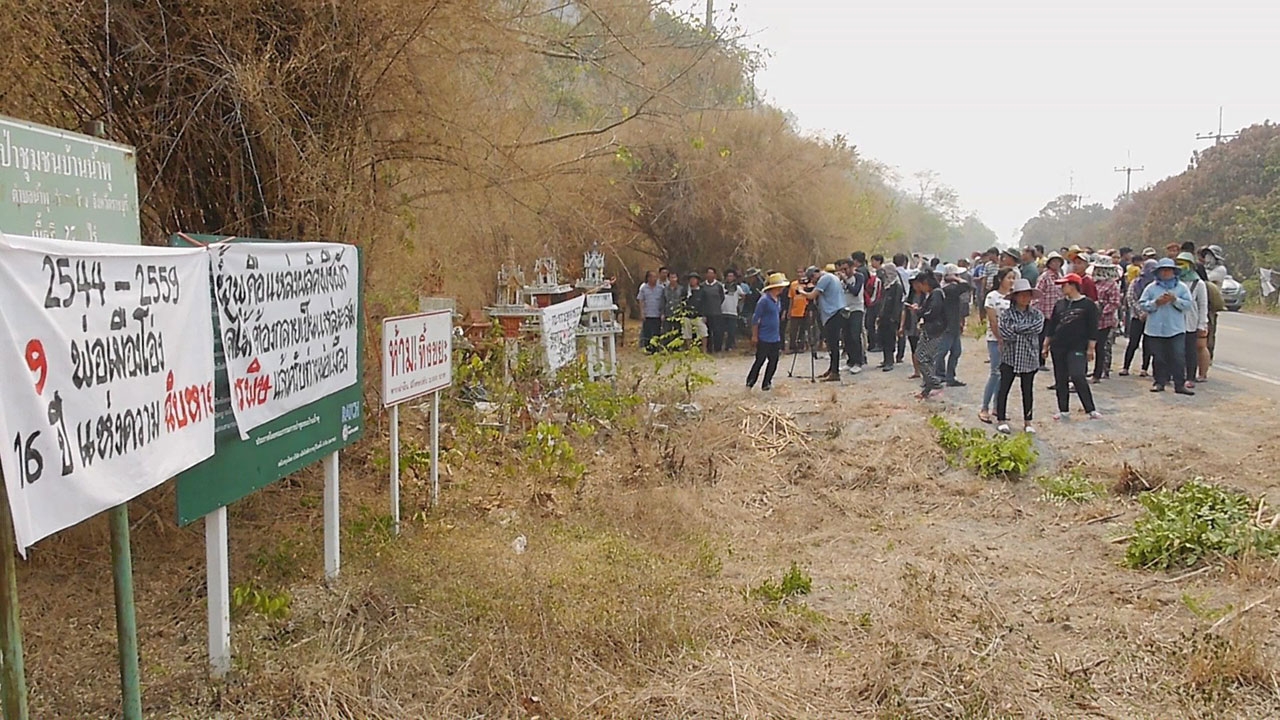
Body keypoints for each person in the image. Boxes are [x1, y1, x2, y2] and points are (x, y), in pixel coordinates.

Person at [1044, 273, 1101, 421]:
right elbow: (1052, 326)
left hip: (1078, 346)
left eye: (1065, 285)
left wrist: (1091, 348)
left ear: (1073, 285)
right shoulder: (1060, 304)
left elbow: (1093, 328)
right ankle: (1063, 410)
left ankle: (1090, 409)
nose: (1062, 288)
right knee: (1060, 378)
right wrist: (1046, 345)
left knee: (1077, 375)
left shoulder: (1088, 305)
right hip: (1058, 346)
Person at [995, 278, 1044, 435]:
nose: (1024, 298)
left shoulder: (1037, 314)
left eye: (1027, 295)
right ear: (1015, 296)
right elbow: (1005, 333)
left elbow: (1037, 328)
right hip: (1010, 356)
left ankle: (1028, 421)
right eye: (1021, 295)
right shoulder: (1006, 313)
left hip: (1029, 357)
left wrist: (1016, 329)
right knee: (1004, 388)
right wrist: (1023, 331)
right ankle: (1001, 419)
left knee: (1027, 390)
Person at [1139, 258, 1195, 395]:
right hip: (1155, 329)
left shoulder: (1181, 287)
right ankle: (1159, 382)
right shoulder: (1151, 288)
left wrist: (1174, 300)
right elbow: (1142, 304)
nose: (1165, 273)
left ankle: (1179, 384)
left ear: (1174, 272)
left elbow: (1188, 305)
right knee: (1158, 358)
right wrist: (1156, 303)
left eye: (1168, 270)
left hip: (1175, 328)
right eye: (1163, 270)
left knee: (1178, 357)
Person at [979, 268, 1016, 424]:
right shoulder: (992, 296)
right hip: (995, 339)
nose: (1011, 281)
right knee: (995, 372)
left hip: (1011, 340)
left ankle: (997, 407)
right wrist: (999, 338)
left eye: (1013, 278)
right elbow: (993, 321)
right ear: (1001, 279)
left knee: (1005, 373)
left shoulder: (1013, 298)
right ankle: (984, 407)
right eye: (1009, 278)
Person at [799, 265, 848, 382]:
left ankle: (835, 372)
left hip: (832, 313)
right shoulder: (832, 277)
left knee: (833, 344)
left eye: (812, 278)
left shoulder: (825, 279)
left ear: (815, 274)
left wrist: (801, 291)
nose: (813, 281)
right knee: (831, 343)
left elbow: (812, 296)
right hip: (836, 311)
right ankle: (832, 369)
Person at [746, 273, 789, 391]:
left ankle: (766, 383)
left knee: (774, 360)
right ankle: (750, 382)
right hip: (764, 336)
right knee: (760, 360)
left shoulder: (778, 300)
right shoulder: (764, 300)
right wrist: (755, 335)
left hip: (775, 336)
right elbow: (756, 319)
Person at [909, 270, 947, 399]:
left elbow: (932, 313)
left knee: (922, 358)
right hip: (930, 330)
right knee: (926, 358)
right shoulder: (933, 294)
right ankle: (928, 388)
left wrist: (918, 312)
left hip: (934, 331)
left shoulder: (936, 294)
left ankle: (935, 384)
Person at [1175, 252, 1209, 387]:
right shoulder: (1175, 281)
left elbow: (1202, 304)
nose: (1180, 267)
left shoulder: (1198, 283)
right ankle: (1176, 375)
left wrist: (1202, 324)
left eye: (1183, 264)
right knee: (1176, 350)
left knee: (1190, 350)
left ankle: (1190, 376)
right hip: (1176, 321)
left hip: (1191, 322)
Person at [935, 264, 971, 387]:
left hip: (952, 325)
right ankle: (939, 375)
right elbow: (967, 286)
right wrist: (956, 279)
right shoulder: (950, 289)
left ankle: (947, 376)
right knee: (942, 352)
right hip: (949, 326)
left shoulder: (946, 288)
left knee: (955, 351)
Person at [1120, 259, 1157, 377]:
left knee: (1149, 344)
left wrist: (1149, 312)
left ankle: (1144, 368)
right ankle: (1126, 367)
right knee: (1133, 343)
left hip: (1152, 318)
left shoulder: (1157, 285)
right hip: (1137, 317)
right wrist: (1141, 312)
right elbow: (1130, 298)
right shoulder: (1136, 282)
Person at [1090, 256, 1122, 382]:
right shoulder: (1093, 282)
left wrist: (1102, 311)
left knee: (1100, 347)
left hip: (1104, 321)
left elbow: (1114, 302)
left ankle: (1098, 373)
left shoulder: (1112, 284)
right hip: (1091, 319)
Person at [1034, 251, 1066, 370]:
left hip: (1056, 312)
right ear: (1049, 263)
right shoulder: (1045, 277)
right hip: (1044, 311)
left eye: (1058, 262)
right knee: (1042, 337)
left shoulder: (1060, 276)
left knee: (1054, 337)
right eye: (1054, 261)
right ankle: (1040, 362)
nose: (1056, 264)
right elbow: (1038, 293)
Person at [839, 256, 867, 373]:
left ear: (852, 267)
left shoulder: (858, 277)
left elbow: (855, 291)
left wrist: (846, 280)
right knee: (847, 336)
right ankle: (850, 361)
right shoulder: (840, 280)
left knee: (855, 335)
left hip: (856, 309)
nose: (844, 272)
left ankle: (858, 362)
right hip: (845, 309)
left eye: (846, 269)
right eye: (842, 270)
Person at [876, 260, 905, 371]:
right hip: (884, 317)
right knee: (883, 338)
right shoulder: (886, 285)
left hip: (891, 318)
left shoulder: (897, 286)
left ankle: (890, 361)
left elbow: (897, 304)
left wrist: (894, 318)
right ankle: (885, 359)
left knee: (890, 339)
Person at [901, 270, 924, 379]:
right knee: (914, 348)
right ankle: (917, 371)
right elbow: (904, 311)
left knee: (923, 348)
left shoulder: (927, 296)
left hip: (922, 325)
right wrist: (902, 326)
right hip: (911, 325)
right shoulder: (910, 296)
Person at [637, 270, 664, 352]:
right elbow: (641, 300)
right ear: (648, 278)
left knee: (656, 331)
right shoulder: (644, 288)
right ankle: (648, 348)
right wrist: (642, 312)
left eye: (655, 277)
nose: (654, 279)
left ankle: (655, 348)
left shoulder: (661, 288)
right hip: (648, 313)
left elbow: (663, 300)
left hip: (657, 313)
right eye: (652, 277)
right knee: (647, 332)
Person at [701, 267, 726, 353]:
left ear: (715, 275)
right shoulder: (702, 286)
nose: (710, 275)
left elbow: (722, 297)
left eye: (711, 273)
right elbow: (702, 299)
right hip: (706, 312)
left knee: (717, 332)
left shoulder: (719, 286)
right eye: (708, 273)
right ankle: (709, 349)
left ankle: (718, 349)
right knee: (707, 332)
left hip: (717, 312)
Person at [680, 272, 708, 349]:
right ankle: (689, 349)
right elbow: (682, 302)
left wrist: (704, 315)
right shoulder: (685, 291)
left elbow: (705, 304)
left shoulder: (702, 291)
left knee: (703, 333)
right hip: (687, 315)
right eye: (691, 279)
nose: (692, 281)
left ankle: (704, 349)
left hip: (698, 315)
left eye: (694, 279)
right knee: (687, 334)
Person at [720, 269, 744, 352]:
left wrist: (738, 303)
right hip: (723, 311)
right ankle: (719, 347)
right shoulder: (722, 287)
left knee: (731, 331)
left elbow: (743, 296)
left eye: (731, 276)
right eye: (728, 276)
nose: (729, 278)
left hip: (733, 312)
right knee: (721, 331)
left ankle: (729, 346)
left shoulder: (737, 288)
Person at [864, 253, 884, 354]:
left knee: (871, 323)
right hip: (875, 302)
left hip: (875, 303)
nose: (872, 263)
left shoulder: (881, 274)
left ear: (878, 261)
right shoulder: (877, 273)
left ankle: (875, 343)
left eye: (873, 261)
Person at [787, 270, 810, 351]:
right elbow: (791, 298)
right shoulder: (793, 284)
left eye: (801, 272)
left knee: (803, 330)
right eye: (798, 272)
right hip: (795, 311)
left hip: (805, 310)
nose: (800, 274)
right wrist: (789, 311)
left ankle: (801, 346)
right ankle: (792, 347)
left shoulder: (809, 284)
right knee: (793, 331)